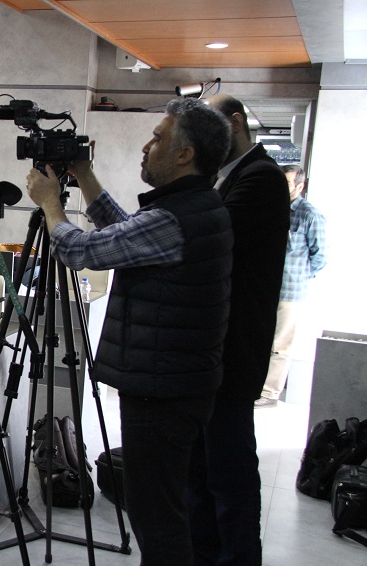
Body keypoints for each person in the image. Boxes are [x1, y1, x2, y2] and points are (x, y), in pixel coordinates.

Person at [26, 97, 233, 566]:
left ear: (184, 154)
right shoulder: (195, 207)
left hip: (163, 391)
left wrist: (51, 204)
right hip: (179, 383)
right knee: (168, 509)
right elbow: (126, 233)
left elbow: (82, 251)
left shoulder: (175, 218)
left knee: (157, 519)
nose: (146, 146)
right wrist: (84, 175)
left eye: (158, 138)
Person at [186, 93, 290, 566]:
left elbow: (211, 239)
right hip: (211, 350)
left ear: (234, 123)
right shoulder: (229, 176)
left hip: (234, 349)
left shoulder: (262, 177)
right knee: (200, 473)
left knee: (229, 476)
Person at [256, 164, 327, 407]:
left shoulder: (310, 215)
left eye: (286, 183)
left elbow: (320, 257)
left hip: (290, 291)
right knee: (260, 338)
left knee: (280, 344)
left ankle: (269, 393)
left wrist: (300, 276)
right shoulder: (270, 208)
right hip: (265, 286)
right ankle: (255, 386)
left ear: (300, 186)